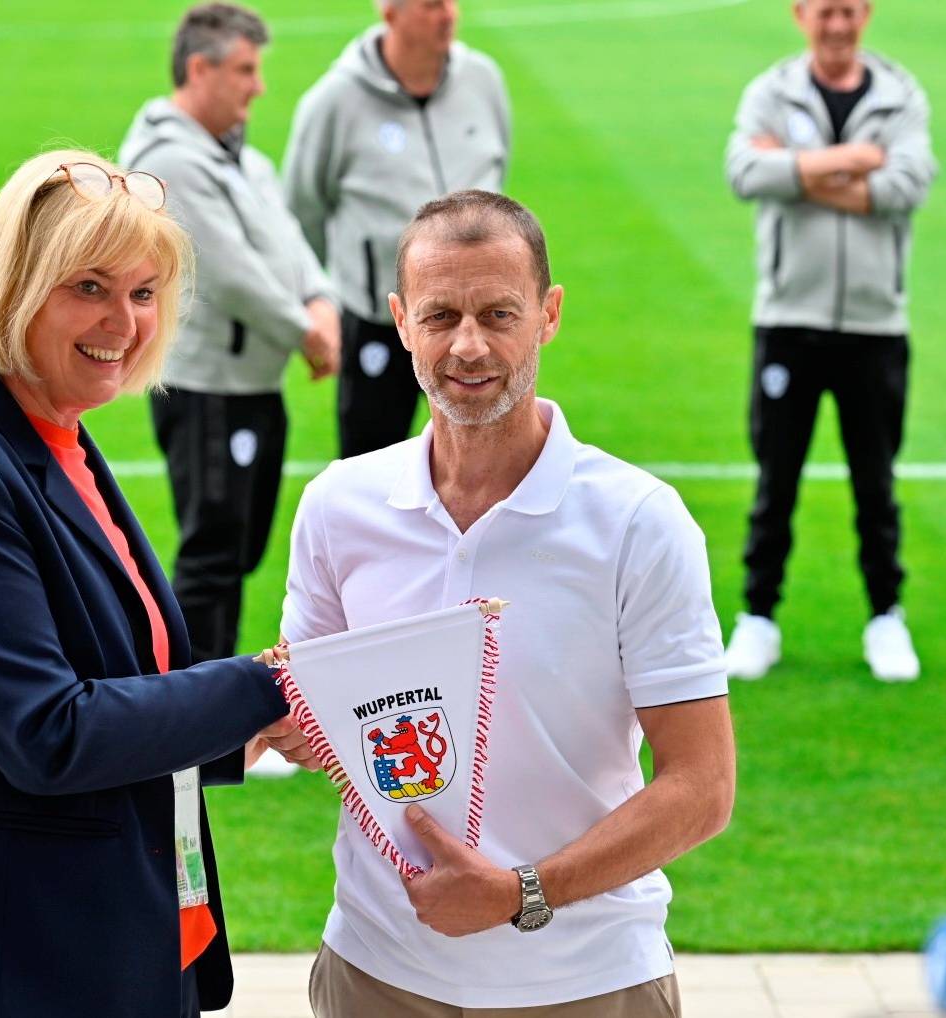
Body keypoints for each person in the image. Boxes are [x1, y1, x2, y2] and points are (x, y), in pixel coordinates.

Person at [0, 150, 314, 1018]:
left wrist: (248, 731)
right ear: (13, 287)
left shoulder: (54, 435)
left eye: (145, 293)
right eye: (89, 287)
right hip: (12, 958)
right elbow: (48, 731)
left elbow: (115, 681)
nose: (124, 320)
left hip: (107, 940)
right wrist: (268, 682)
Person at [282, 191, 735, 1015]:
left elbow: (702, 786)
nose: (467, 345)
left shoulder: (636, 520)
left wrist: (519, 892)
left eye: (498, 313)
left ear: (548, 315)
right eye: (440, 315)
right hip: (377, 973)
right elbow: (316, 721)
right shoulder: (336, 505)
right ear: (398, 319)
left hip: (588, 980)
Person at [118, 2, 341, 667]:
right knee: (213, 556)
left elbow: (287, 237)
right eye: (245, 70)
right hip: (208, 386)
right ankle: (196, 726)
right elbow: (229, 272)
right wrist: (307, 330)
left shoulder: (236, 157)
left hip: (248, 382)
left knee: (233, 552)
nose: (257, 85)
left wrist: (320, 298)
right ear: (199, 68)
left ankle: (203, 714)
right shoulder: (172, 163)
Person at [721, 0, 937, 683]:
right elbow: (744, 173)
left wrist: (798, 172)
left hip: (874, 324)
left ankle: (885, 615)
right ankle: (758, 616)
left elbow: (906, 184)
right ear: (799, 15)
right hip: (788, 317)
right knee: (774, 477)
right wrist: (851, 162)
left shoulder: (899, 94)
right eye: (824, 12)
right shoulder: (770, 90)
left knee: (875, 480)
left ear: (864, 15)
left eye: (847, 11)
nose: (836, 25)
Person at [283, 0, 511, 458]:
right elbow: (302, 209)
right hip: (381, 322)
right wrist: (319, 300)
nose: (448, 14)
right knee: (372, 464)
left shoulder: (483, 80)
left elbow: (498, 168)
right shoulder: (334, 101)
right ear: (390, 12)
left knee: (486, 459)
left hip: (480, 319)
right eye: (430, 5)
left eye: (450, 3)